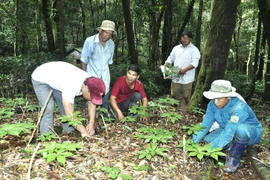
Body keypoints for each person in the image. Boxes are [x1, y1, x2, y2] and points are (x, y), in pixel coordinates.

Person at [192, 80, 263, 173]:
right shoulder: (212, 104)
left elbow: (229, 131)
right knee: (208, 139)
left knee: (241, 130)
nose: (216, 102)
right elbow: (206, 124)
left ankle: (233, 158)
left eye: (220, 99)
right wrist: (193, 142)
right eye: (214, 98)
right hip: (227, 129)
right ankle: (233, 146)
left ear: (229, 97)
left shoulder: (239, 107)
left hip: (250, 133)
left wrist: (208, 150)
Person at [31, 61, 106, 137]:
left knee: (66, 107)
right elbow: (69, 114)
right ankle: (46, 136)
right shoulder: (71, 85)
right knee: (48, 108)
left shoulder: (92, 82)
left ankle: (69, 132)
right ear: (86, 88)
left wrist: (91, 123)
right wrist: (83, 131)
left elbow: (91, 102)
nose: (91, 99)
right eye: (91, 96)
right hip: (41, 77)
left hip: (57, 79)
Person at [80, 20, 116, 110]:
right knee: (91, 103)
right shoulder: (90, 41)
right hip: (92, 77)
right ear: (100, 30)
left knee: (104, 104)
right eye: (106, 32)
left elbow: (109, 63)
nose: (107, 35)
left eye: (110, 34)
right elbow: (84, 61)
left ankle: (104, 117)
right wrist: (84, 79)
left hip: (105, 79)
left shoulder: (111, 44)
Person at [164, 30, 200, 112]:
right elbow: (171, 58)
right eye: (183, 37)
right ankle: (173, 112)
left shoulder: (194, 50)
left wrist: (184, 70)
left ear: (190, 39)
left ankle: (184, 113)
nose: (184, 39)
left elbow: (195, 63)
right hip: (175, 76)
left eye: (186, 38)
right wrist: (166, 65)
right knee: (173, 95)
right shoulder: (176, 48)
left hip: (187, 78)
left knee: (186, 97)